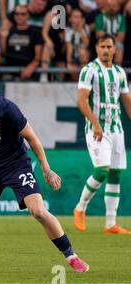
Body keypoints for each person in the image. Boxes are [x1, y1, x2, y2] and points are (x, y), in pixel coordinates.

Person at [0, 66, 89, 273]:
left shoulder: (5, 108)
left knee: (39, 212)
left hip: (16, 165)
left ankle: (72, 256)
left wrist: (46, 169)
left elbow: (31, 138)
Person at [73, 34, 131, 234]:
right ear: (96, 49)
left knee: (115, 173)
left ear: (115, 49)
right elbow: (81, 100)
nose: (106, 50)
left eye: (109, 46)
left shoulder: (119, 72)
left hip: (116, 130)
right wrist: (95, 124)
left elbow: (126, 100)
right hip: (96, 129)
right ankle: (80, 207)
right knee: (101, 171)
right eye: (102, 46)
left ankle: (110, 223)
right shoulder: (89, 70)